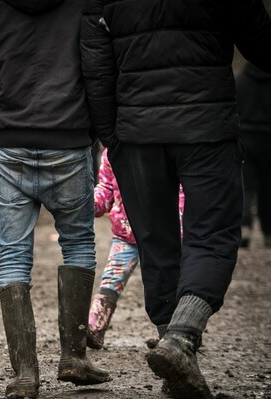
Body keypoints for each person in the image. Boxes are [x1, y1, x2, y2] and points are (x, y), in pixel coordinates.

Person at [80, 0, 271, 397]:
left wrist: (110, 135)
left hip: (135, 131)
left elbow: (95, 61)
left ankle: (176, 353)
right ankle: (181, 340)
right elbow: (262, 45)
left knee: (155, 241)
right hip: (206, 127)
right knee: (212, 236)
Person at [0, 1, 112, 398]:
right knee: (78, 243)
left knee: (13, 255)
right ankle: (73, 357)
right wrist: (94, 129)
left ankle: (25, 374)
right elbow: (96, 63)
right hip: (69, 133)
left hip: (9, 137)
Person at [87, 148, 185, 350]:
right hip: (127, 232)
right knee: (111, 281)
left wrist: (182, 222)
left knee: (170, 282)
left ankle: (176, 334)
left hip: (165, 235)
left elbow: (182, 192)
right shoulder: (112, 153)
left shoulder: (167, 150)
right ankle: (94, 328)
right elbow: (105, 190)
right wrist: (85, 203)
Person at [235, 62, 271, 249]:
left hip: (245, 139)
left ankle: (245, 225)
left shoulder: (240, 80)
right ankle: (268, 231)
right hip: (268, 139)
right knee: (267, 187)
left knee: (246, 186)